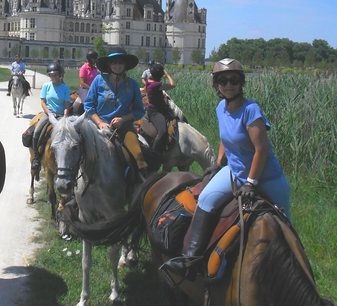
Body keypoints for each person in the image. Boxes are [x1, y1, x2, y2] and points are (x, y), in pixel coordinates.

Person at [161, 58, 291, 279]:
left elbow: (261, 150)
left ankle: (291, 275)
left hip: (266, 177)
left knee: (285, 226)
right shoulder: (221, 107)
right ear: (217, 85)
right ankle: (191, 258)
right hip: (235, 171)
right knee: (206, 200)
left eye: (233, 80)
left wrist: (252, 182)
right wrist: (218, 163)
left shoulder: (251, 110)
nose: (228, 84)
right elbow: (226, 139)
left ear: (241, 82)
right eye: (222, 80)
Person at [83, 47, 149, 177]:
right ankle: (70, 189)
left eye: (120, 62)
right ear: (109, 64)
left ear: (125, 65)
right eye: (114, 62)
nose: (117, 65)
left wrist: (123, 119)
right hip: (97, 127)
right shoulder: (98, 81)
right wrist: (100, 122)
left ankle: (141, 187)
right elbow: (89, 105)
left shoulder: (133, 84)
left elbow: (139, 111)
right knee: (78, 153)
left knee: (138, 157)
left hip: (123, 128)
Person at [31, 61, 72, 171]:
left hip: (60, 116)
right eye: (51, 75)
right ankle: (36, 157)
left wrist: (65, 116)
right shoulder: (46, 86)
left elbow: (66, 104)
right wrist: (49, 113)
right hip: (48, 114)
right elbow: (43, 102)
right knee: (36, 133)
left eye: (55, 75)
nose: (53, 77)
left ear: (60, 75)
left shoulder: (65, 88)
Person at [144, 63, 176, 155]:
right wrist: (168, 75)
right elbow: (172, 85)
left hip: (160, 108)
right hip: (154, 111)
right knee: (162, 131)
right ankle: (154, 154)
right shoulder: (156, 85)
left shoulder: (148, 81)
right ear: (161, 75)